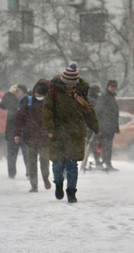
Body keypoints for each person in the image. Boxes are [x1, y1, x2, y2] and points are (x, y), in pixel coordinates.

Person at [42, 62, 99, 203]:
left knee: (72, 165)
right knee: (58, 163)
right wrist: (49, 129)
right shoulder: (53, 92)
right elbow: (47, 112)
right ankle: (59, 184)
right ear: (63, 81)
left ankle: (71, 192)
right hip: (57, 134)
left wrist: (95, 126)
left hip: (75, 133)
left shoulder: (80, 94)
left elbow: (88, 112)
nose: (70, 86)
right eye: (67, 83)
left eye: (72, 83)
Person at [14, 79, 52, 192]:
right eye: (36, 92)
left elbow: (55, 119)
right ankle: (34, 185)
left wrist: (53, 132)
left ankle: (45, 177)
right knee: (32, 163)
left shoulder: (50, 103)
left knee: (44, 160)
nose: (37, 94)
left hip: (45, 137)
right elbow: (19, 118)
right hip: (30, 137)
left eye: (40, 93)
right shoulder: (28, 101)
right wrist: (16, 133)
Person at [0, 84, 29, 179]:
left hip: (25, 132)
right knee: (12, 155)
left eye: (18, 91)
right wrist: (8, 93)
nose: (17, 93)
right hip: (12, 132)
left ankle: (29, 172)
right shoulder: (11, 100)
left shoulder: (27, 100)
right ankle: (11, 174)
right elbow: (2, 104)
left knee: (27, 154)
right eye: (15, 91)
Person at [95, 80, 120, 171]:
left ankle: (105, 162)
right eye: (112, 87)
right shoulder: (104, 97)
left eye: (115, 87)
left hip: (110, 126)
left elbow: (114, 113)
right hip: (105, 127)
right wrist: (101, 125)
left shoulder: (110, 97)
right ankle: (106, 163)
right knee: (106, 145)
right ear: (108, 87)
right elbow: (99, 111)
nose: (114, 89)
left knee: (106, 145)